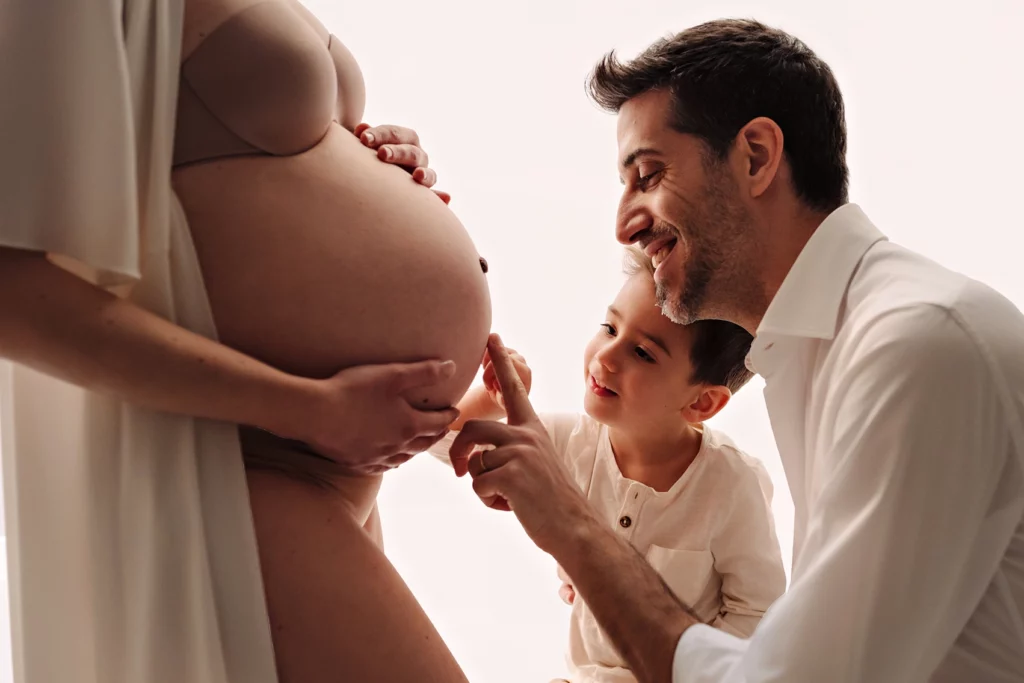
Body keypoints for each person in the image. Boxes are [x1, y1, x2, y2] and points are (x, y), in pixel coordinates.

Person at [449, 19, 1024, 683]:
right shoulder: (818, 355)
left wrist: (575, 529)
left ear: (755, 156)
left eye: (648, 173)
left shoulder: (918, 343)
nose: (623, 222)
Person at [1, 0, 489, 681]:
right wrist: (307, 405)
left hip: (324, 465)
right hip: (242, 461)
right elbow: (12, 294)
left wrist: (365, 150)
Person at [431, 245, 785, 682]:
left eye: (643, 354)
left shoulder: (733, 485)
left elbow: (758, 614)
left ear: (702, 402)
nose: (606, 357)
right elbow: (443, 444)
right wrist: (490, 401)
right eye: (609, 327)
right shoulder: (564, 443)